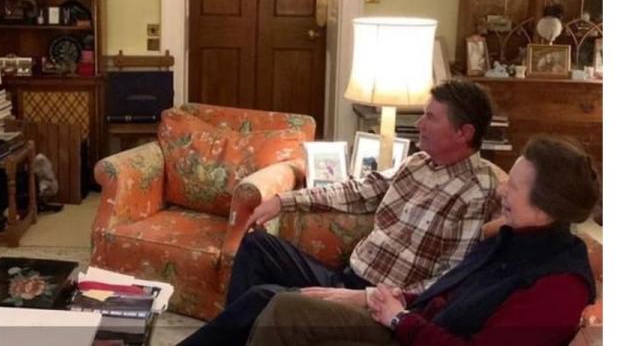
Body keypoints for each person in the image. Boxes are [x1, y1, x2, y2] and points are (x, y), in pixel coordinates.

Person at [178, 80, 498, 346]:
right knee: (258, 245)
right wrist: (284, 201)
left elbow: (447, 282)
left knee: (266, 297)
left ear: (463, 133)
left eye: (431, 117)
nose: (419, 124)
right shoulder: (417, 164)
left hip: (378, 301)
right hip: (349, 276)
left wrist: (369, 297)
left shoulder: (476, 190)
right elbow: (358, 191)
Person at [247, 135, 598, 346]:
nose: (503, 189)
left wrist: (402, 319)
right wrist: (405, 299)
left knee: (283, 309)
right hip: (412, 324)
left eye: (515, 187)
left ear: (547, 206)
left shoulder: (559, 284)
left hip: (413, 335)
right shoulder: (511, 238)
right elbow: (457, 293)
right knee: (284, 306)